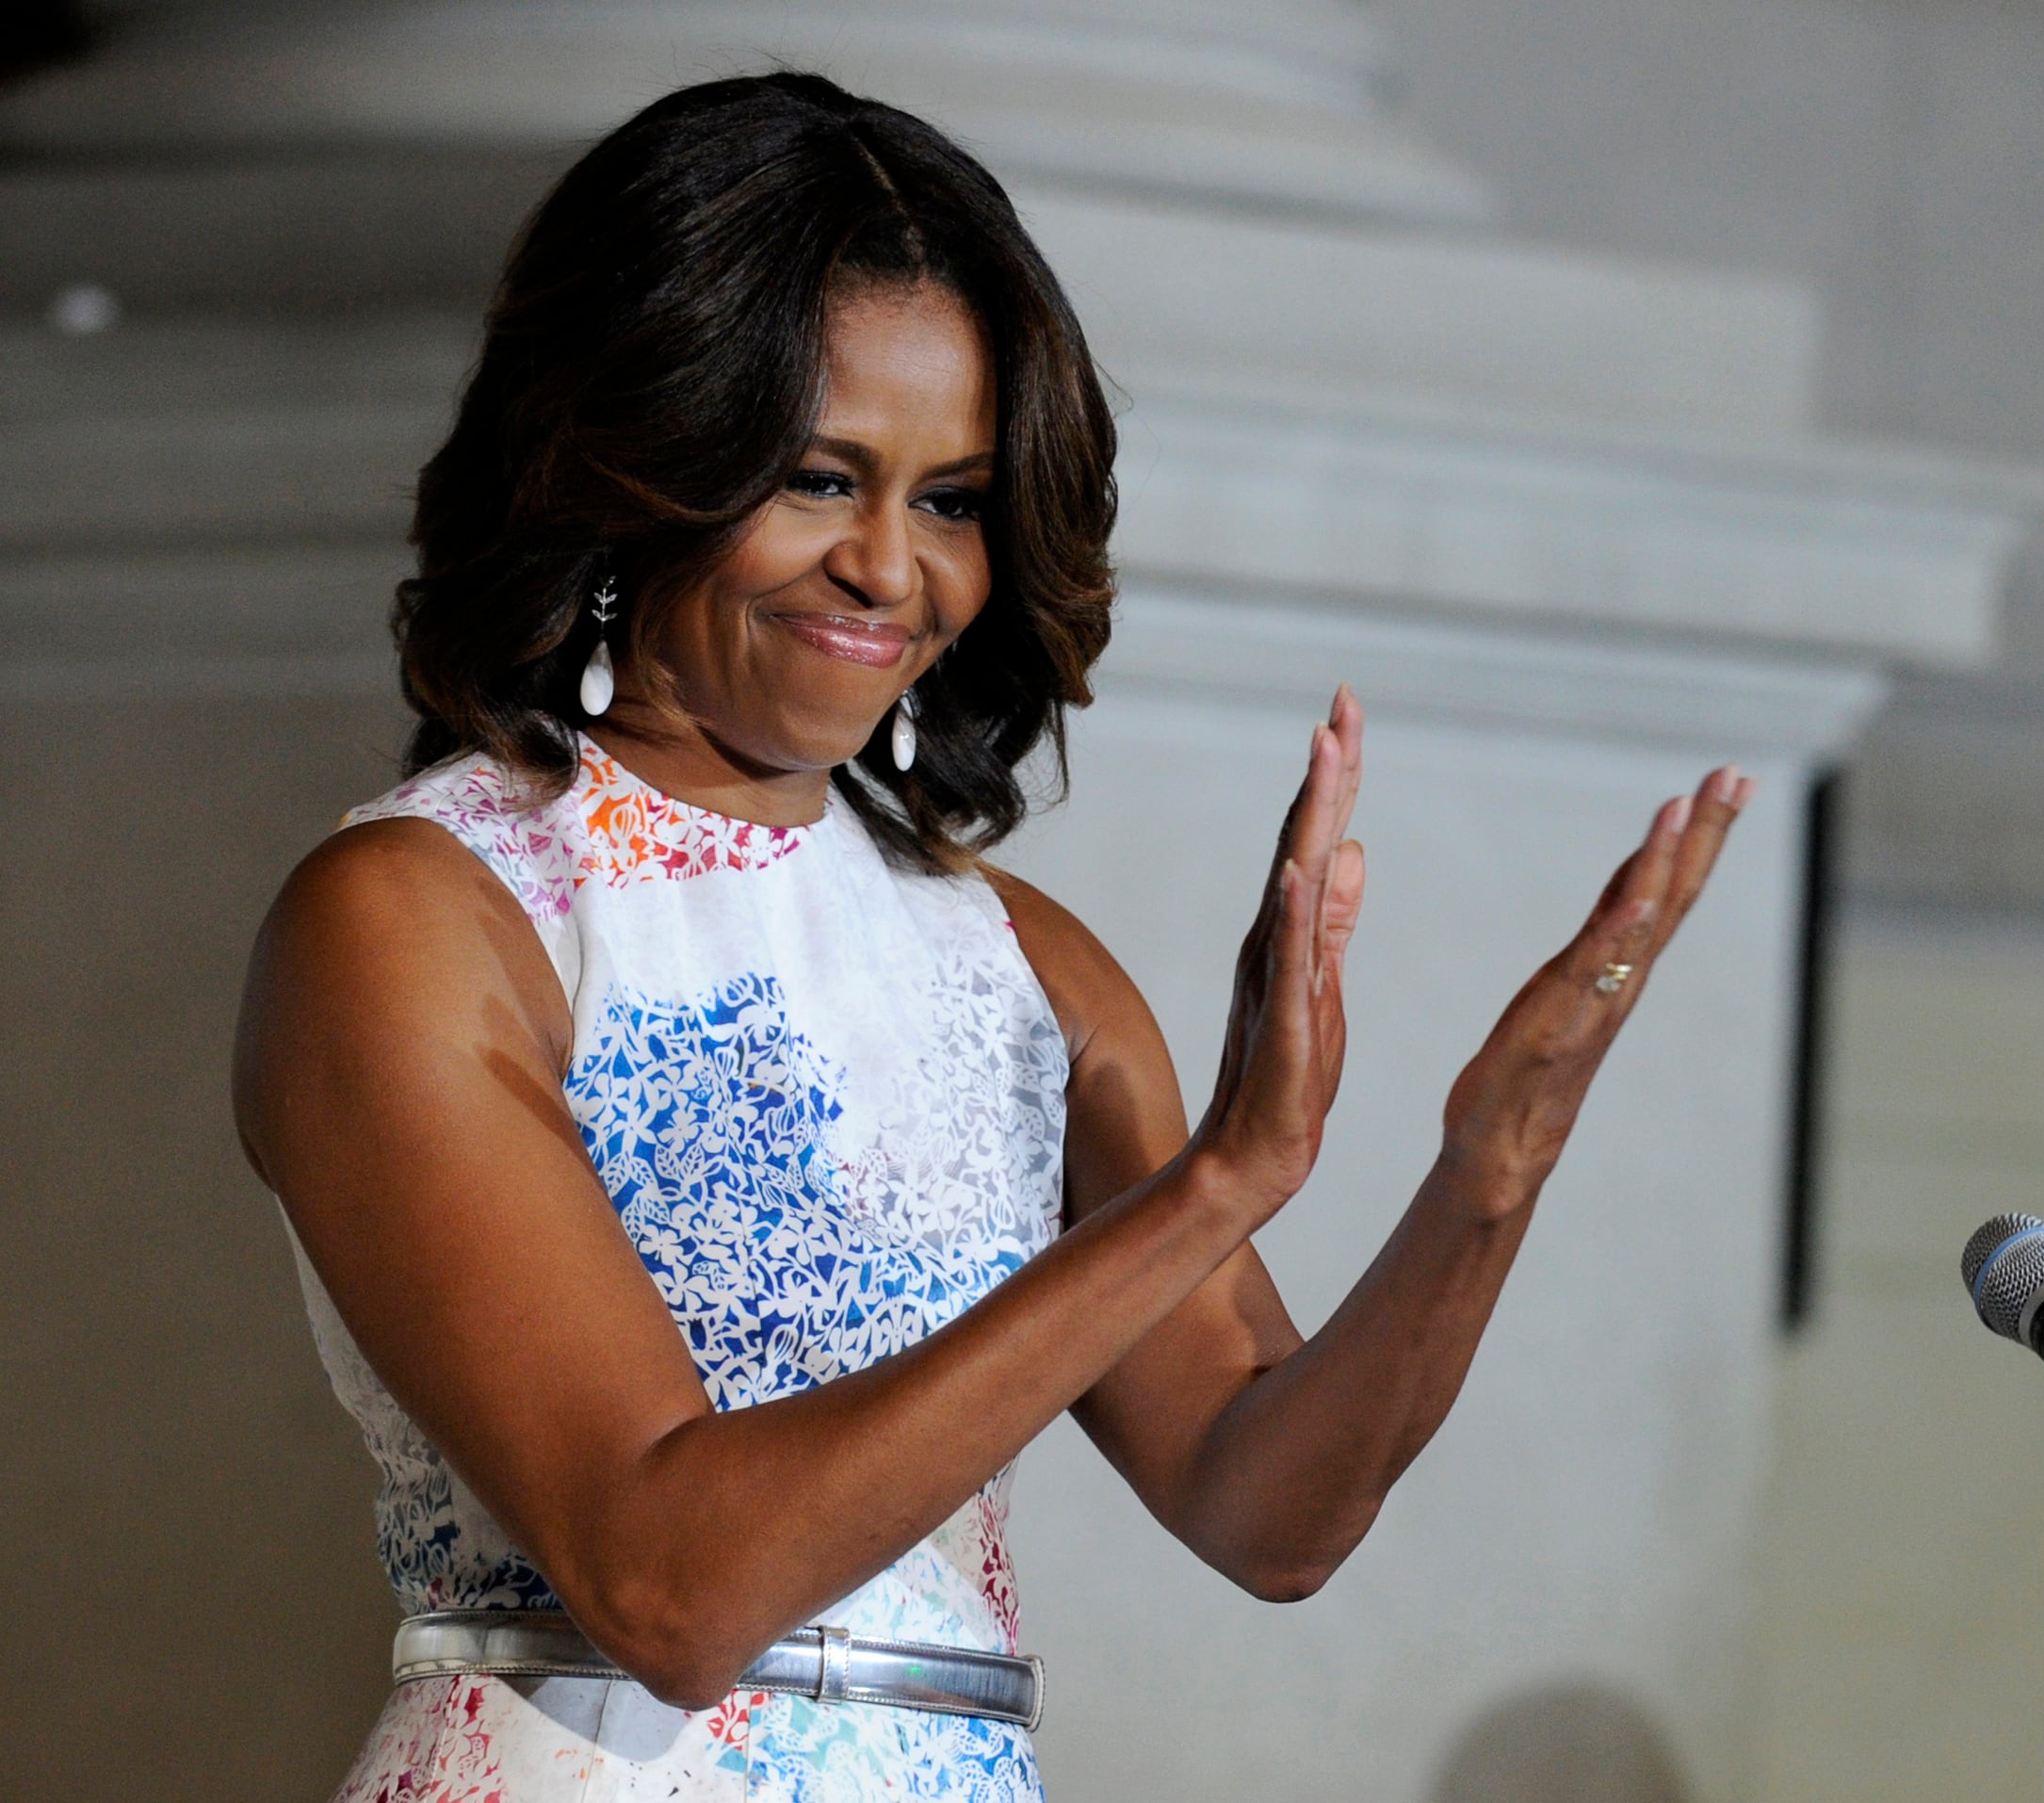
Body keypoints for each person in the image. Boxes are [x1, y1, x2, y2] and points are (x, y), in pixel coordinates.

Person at [232, 72, 1754, 1802]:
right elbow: (668, 1581)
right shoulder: (421, 916)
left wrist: (1487, 1171)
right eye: (821, 478)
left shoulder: (1018, 964)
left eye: (951, 498)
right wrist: (1211, 1188)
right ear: (633, 455)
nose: (892, 569)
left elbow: (1268, 1504)